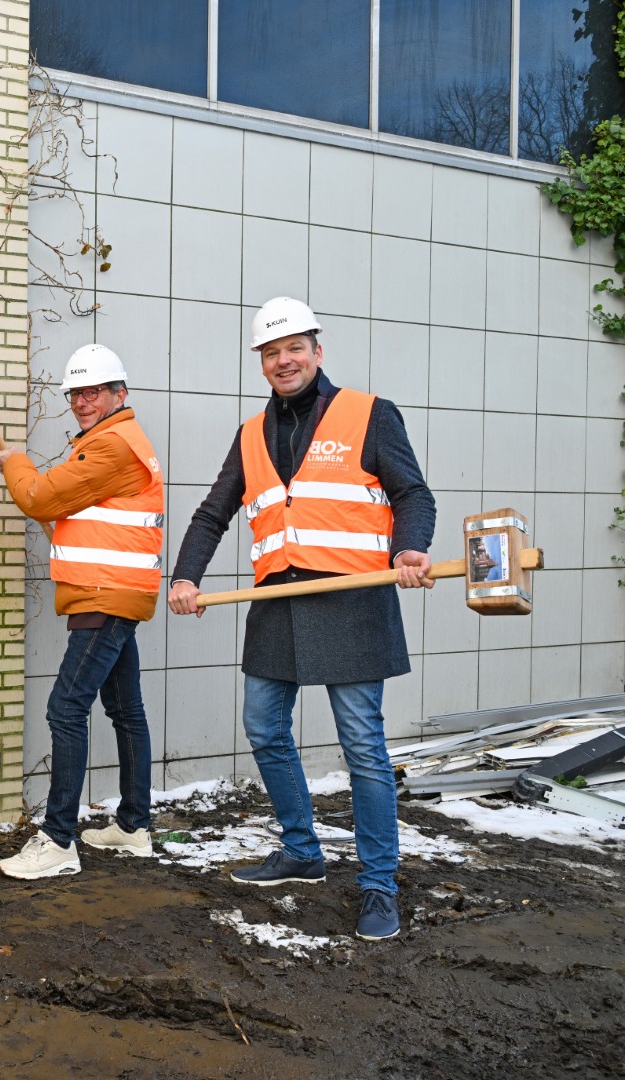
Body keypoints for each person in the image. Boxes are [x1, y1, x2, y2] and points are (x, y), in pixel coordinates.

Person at [166, 297, 436, 942]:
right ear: (261, 364)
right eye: (270, 352)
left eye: (293, 348)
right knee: (263, 726)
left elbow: (412, 493)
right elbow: (212, 513)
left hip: (351, 597)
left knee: (363, 749)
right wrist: (185, 576)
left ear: (318, 351)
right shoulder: (251, 435)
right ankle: (301, 850)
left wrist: (409, 548)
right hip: (277, 602)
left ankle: (377, 885)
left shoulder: (371, 414)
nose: (282, 361)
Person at [0, 343, 164, 880]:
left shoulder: (112, 447)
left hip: (103, 595)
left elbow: (40, 497)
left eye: (93, 391)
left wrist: (13, 463)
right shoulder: (106, 443)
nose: (82, 402)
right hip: (113, 592)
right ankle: (134, 826)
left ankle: (58, 838)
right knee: (125, 710)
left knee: (65, 708)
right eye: (76, 394)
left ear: (120, 392)